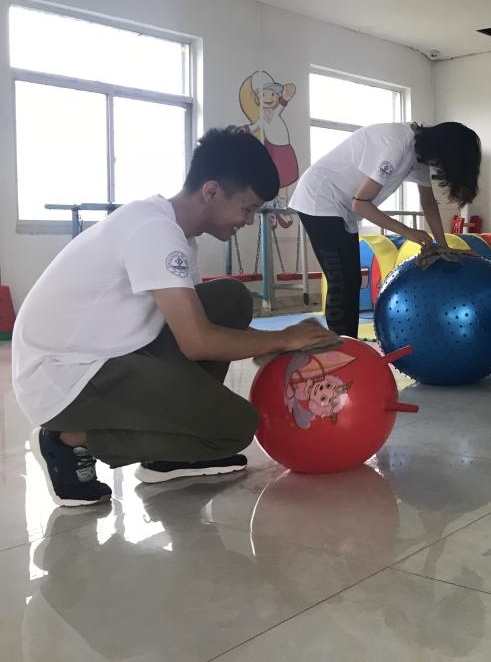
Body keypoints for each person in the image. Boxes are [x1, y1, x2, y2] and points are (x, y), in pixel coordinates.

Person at [13, 127, 339, 507]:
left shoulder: (177, 233)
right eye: (247, 208)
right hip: (64, 378)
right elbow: (197, 341)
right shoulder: (154, 230)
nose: (248, 221)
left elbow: (197, 325)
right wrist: (282, 338)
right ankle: (66, 439)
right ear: (211, 191)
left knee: (228, 299)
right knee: (233, 428)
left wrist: (271, 345)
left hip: (109, 355)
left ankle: (169, 454)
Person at [289, 122, 482, 337]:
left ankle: (348, 344)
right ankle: (340, 346)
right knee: (341, 280)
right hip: (319, 197)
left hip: (342, 207)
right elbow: (361, 203)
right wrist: (408, 232)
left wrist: (443, 246)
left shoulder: (418, 155)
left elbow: (428, 201)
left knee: (351, 279)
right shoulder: (396, 144)